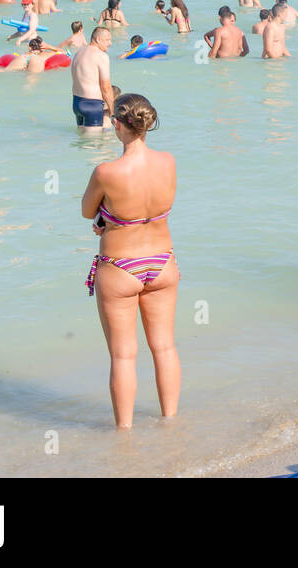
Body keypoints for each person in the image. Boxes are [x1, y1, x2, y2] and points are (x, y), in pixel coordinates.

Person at [81, 93, 179, 429]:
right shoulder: (168, 161)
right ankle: (171, 424)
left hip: (121, 267)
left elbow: (86, 211)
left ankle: (124, 438)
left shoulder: (106, 171)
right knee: (164, 348)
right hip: (163, 263)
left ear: (118, 125)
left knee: (123, 356)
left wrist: (105, 219)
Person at [70, 27, 115, 131]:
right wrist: (113, 111)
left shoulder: (79, 53)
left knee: (83, 142)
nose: (110, 43)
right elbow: (106, 87)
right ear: (98, 39)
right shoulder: (101, 56)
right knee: (93, 143)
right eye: (107, 40)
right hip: (92, 105)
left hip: (77, 103)